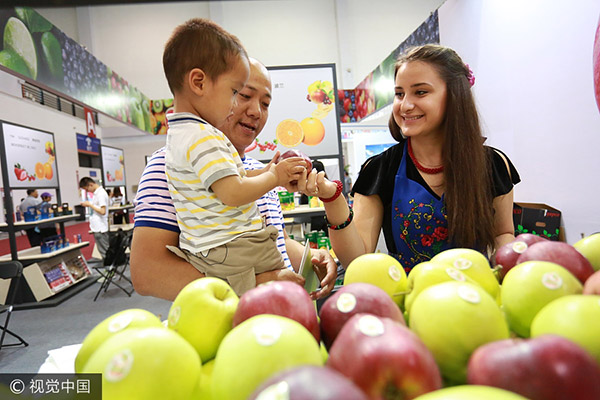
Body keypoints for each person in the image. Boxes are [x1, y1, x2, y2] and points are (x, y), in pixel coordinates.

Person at [131, 56, 337, 301]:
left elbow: (269, 239)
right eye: (243, 95)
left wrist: (308, 255)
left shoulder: (258, 171)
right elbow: (147, 273)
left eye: (265, 103)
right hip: (224, 327)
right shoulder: (167, 167)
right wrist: (256, 284)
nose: (255, 111)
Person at [302, 44, 520, 273]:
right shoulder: (379, 169)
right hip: (410, 301)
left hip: (476, 297)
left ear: (456, 95)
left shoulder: (492, 165)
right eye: (399, 94)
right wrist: (332, 199)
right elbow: (357, 260)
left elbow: (502, 233)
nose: (405, 105)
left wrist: (506, 264)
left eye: (421, 92)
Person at [161, 18, 314, 296]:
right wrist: (274, 177)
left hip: (217, 251)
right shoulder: (203, 138)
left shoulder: (182, 136)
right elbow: (232, 192)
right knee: (291, 293)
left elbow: (235, 178)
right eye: (238, 93)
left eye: (266, 103)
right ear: (198, 82)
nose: (254, 111)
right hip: (230, 253)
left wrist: (269, 174)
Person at [79, 177, 110, 260]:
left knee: (105, 251)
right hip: (98, 227)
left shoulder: (101, 194)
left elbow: (102, 211)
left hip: (100, 228)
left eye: (86, 189)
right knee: (103, 250)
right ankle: (110, 268)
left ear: (91, 185)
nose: (87, 191)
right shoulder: (97, 194)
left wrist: (90, 205)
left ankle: (110, 269)